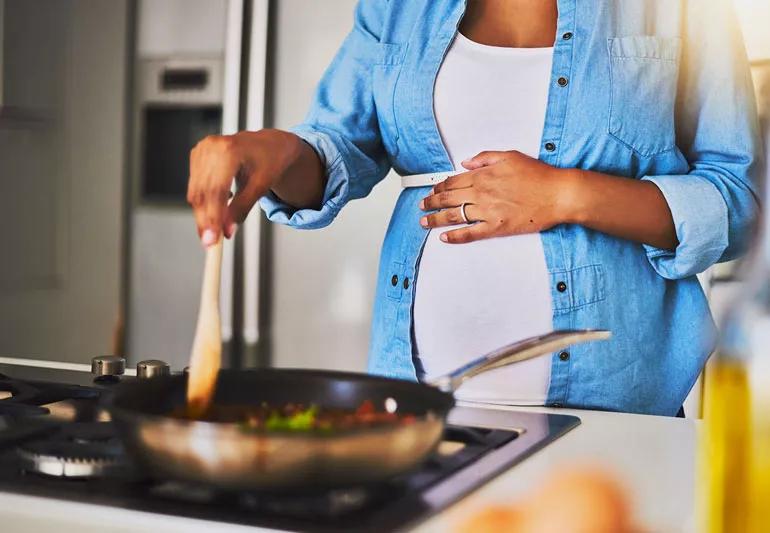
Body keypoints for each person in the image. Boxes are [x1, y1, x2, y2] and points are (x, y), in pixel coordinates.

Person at [186, 0, 761, 416]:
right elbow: (334, 149)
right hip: (418, 406)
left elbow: (739, 203)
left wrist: (565, 195)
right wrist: (276, 151)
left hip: (613, 412)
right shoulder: (395, 9)